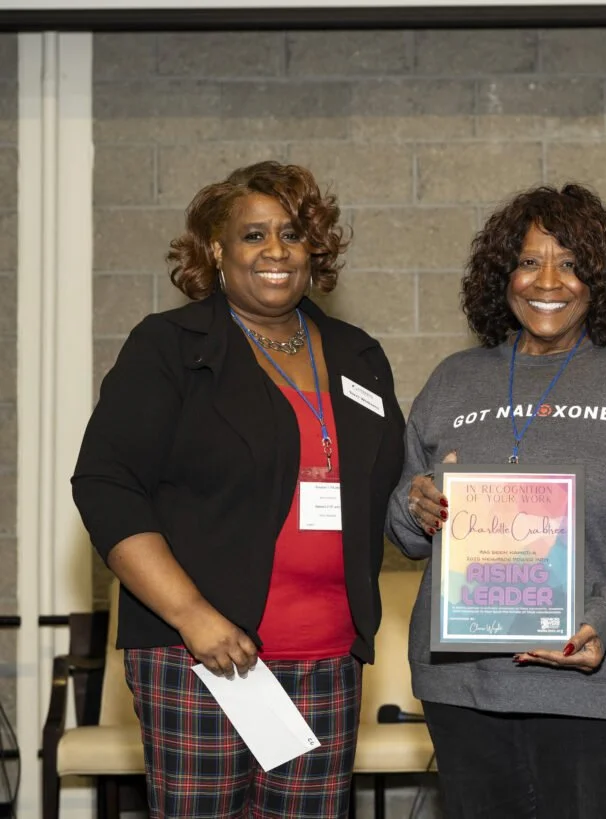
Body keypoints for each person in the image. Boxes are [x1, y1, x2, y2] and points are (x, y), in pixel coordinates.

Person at [72, 161, 405, 819]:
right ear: (218, 250)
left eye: (292, 233)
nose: (276, 251)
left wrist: (425, 495)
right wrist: (193, 613)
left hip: (328, 658)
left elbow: (383, 486)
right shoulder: (171, 348)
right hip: (204, 658)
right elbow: (106, 485)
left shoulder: (355, 354)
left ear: (315, 248)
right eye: (254, 235)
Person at [385, 183, 606, 819]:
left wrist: (604, 621)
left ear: (599, 279)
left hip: (598, 682)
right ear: (502, 275)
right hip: (466, 686)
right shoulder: (454, 379)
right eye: (530, 261)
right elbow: (405, 521)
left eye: (571, 263)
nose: (548, 281)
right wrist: (414, 506)